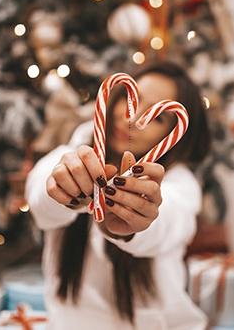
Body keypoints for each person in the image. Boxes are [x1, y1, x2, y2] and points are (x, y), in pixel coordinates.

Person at [25, 61, 211, 330]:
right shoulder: (69, 153)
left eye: (157, 117)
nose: (131, 119)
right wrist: (66, 192)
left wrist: (133, 223)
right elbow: (40, 200)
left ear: (173, 136)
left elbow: (168, 220)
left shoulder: (179, 185)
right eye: (131, 98)